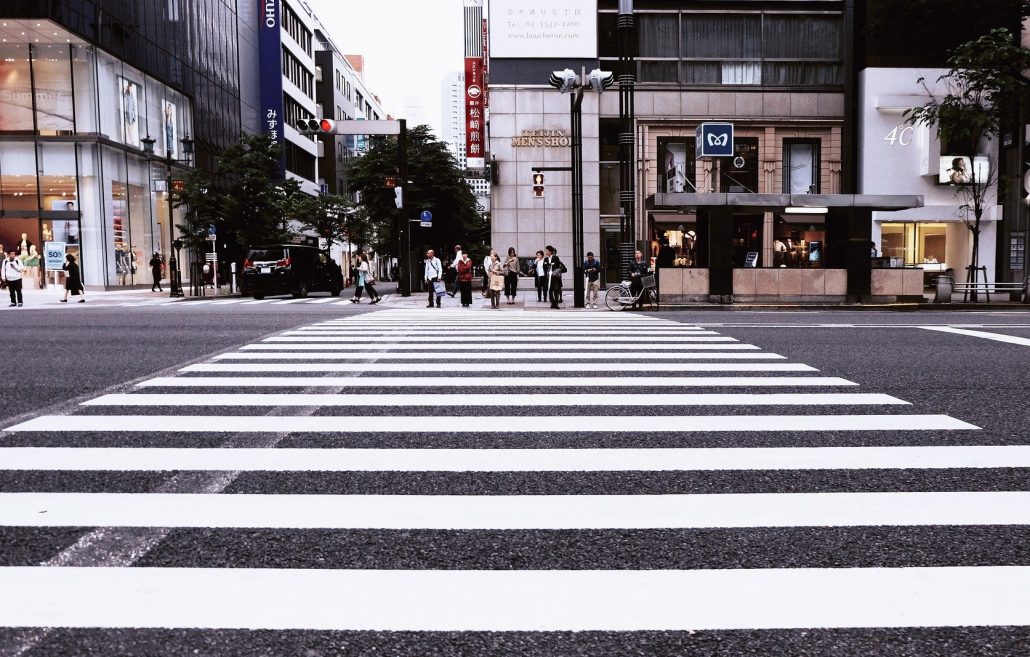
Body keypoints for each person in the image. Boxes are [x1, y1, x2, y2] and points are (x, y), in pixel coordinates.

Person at [543, 245, 566, 309]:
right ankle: (552, 303)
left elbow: (558, 265)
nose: (546, 252)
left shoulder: (556, 258)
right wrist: (549, 265)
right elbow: (544, 267)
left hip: (555, 277)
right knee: (550, 290)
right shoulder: (546, 259)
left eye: (547, 251)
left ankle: (556, 303)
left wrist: (551, 266)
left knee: (556, 289)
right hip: (548, 277)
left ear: (550, 252)